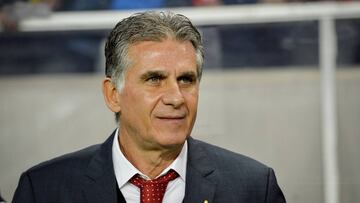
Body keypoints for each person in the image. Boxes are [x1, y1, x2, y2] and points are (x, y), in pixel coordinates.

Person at [12, 11, 286, 203]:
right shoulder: (44, 190)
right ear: (113, 94)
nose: (176, 97)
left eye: (186, 79)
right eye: (154, 79)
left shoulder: (252, 188)